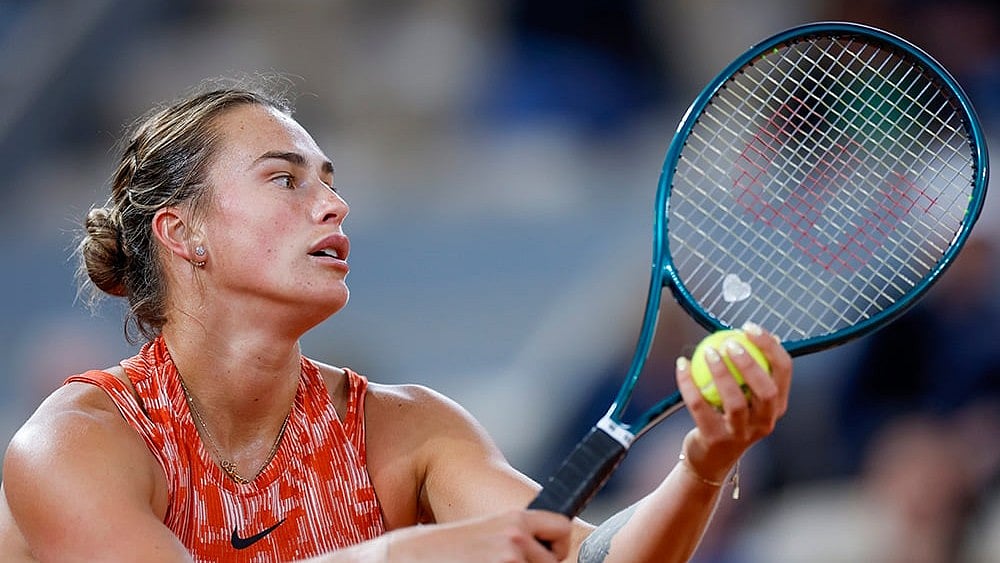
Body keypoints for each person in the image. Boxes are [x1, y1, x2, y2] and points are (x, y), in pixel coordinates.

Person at [0, 78, 792, 562]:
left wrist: (702, 463)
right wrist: (400, 555)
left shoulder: (409, 430)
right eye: (285, 179)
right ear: (184, 233)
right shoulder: (74, 441)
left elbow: (586, 560)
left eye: (331, 181)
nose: (334, 203)